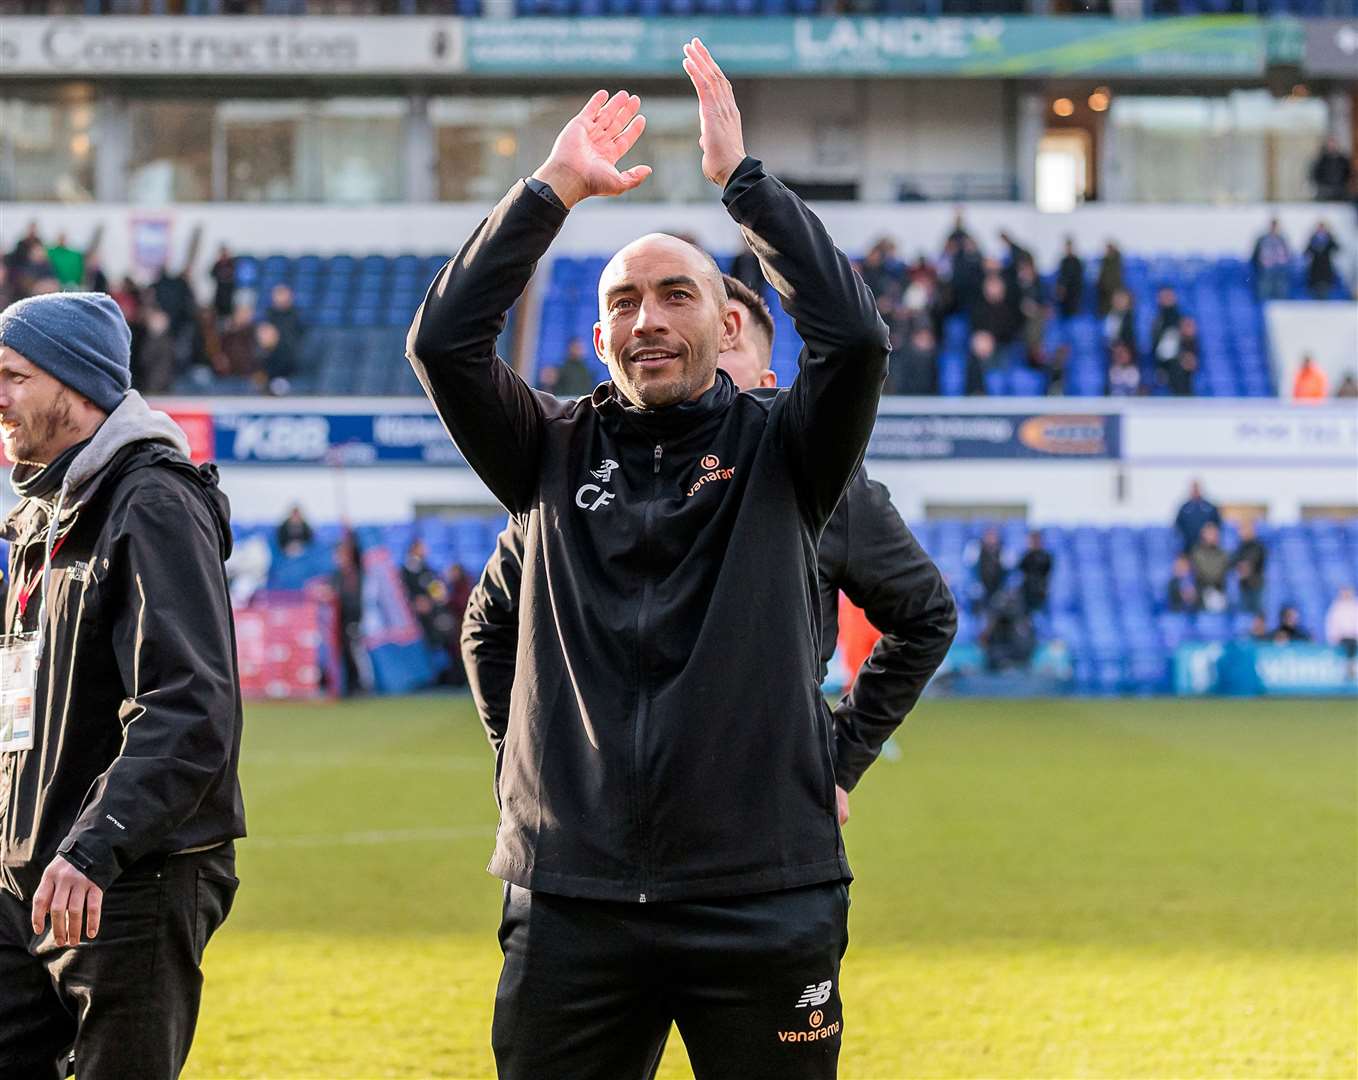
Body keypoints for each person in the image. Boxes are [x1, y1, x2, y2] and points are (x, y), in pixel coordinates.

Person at [408, 41, 890, 1078]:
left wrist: (741, 187)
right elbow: (444, 342)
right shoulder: (545, 451)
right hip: (572, 903)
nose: (649, 320)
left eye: (675, 296)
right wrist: (551, 191)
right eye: (625, 304)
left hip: (762, 897)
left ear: (726, 323)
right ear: (598, 339)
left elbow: (854, 341)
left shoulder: (788, 452)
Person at [461, 264, 955, 1072]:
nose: (680, 365)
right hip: (585, 888)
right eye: (635, 315)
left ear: (762, 379)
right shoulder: (573, 478)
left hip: (757, 874)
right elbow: (489, 625)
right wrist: (531, 772)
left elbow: (924, 614)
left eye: (727, 371)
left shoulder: (803, 464)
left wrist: (836, 761)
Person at [0, 292, 244, 1079]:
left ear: (76, 387)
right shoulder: (39, 514)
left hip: (127, 878)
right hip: (25, 877)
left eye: (12, 376)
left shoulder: (154, 501)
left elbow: (188, 705)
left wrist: (95, 847)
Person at [1189, 521, 1230, 613]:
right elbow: (1204, 573)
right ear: (1203, 535)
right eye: (1211, 534)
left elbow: (1222, 572)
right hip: (1202, 591)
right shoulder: (1197, 553)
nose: (1215, 536)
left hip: (1220, 591)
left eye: (1216, 534)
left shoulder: (1223, 554)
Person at [890, 323, 939, 395]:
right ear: (914, 338)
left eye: (927, 339)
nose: (924, 343)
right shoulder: (902, 362)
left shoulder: (936, 361)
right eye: (921, 338)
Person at [1230, 519, 1267, 616]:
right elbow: (1233, 563)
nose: (1242, 532)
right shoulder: (1239, 547)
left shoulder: (1259, 546)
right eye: (1241, 529)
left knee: (1257, 615)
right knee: (1243, 616)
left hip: (1256, 587)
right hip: (1244, 586)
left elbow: (1252, 562)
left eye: (1245, 529)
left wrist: (1244, 567)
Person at [1250, 219, 1291, 302]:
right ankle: (1264, 304)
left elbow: (1287, 252)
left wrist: (1284, 262)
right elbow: (1256, 253)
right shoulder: (1263, 238)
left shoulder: (1282, 239)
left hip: (1280, 268)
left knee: (1280, 287)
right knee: (1265, 287)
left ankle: (1280, 305)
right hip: (1266, 267)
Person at [1174, 479, 1220, 553]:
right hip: (1188, 546)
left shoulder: (1210, 507)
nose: (1195, 490)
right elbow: (1177, 526)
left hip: (1207, 546)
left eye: (1197, 488)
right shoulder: (1184, 508)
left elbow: (1217, 524)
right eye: (1193, 488)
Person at [1325, 586, 1358, 676]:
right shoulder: (1336, 608)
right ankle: (1349, 667)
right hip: (1341, 638)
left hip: (1353, 637)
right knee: (1349, 643)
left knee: (1352, 642)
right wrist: (1333, 637)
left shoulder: (1355, 607)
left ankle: (1350, 666)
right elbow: (1331, 625)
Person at [1018, 530, 1053, 614]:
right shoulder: (1026, 556)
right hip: (1026, 593)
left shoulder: (1045, 556)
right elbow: (1020, 570)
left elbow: (1044, 571)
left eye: (1034, 540)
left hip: (1040, 593)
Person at [1309, 136, 1352, 202]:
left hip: (1341, 193)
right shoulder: (1320, 160)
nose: (1332, 146)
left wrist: (1344, 186)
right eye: (1330, 144)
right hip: (1324, 193)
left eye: (1333, 143)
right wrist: (1322, 187)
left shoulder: (1343, 160)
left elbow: (1349, 174)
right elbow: (1314, 175)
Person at [1304, 222, 1340, 300]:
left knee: (1326, 288)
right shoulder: (1313, 239)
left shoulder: (1329, 239)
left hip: (1326, 267)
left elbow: (1337, 248)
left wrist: (1331, 237)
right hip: (1315, 268)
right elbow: (1306, 251)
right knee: (1315, 289)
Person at [1054, 237, 1084, 319]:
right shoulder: (1063, 261)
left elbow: (1078, 279)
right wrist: (1061, 288)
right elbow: (1060, 277)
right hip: (1064, 296)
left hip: (1074, 293)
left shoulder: (1077, 261)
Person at [1095, 240, 1124, 316]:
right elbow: (1101, 275)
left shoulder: (1117, 261)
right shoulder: (1104, 261)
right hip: (1104, 291)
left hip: (1114, 289)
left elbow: (1117, 277)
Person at [210, 245, 237, 322]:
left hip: (230, 294)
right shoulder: (218, 264)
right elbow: (212, 274)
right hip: (220, 294)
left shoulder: (233, 263)